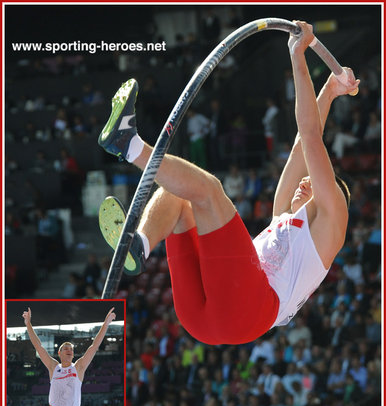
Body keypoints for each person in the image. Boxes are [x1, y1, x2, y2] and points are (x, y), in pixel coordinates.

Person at [98, 21, 359, 347]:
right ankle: (139, 244)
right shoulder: (283, 218)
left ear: (330, 197)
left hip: (249, 310)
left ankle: (131, 144)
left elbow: (309, 135)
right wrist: (330, 92)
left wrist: (297, 54)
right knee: (179, 196)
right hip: (203, 317)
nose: (306, 182)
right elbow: (298, 148)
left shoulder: (331, 222)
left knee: (209, 191)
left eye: (316, 185)